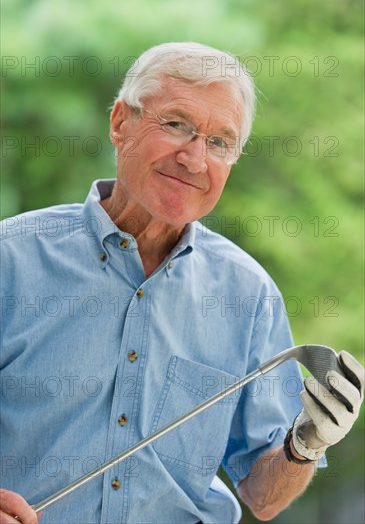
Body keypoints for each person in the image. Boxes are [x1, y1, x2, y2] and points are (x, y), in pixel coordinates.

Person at [0, 42, 363, 524]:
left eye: (220, 143)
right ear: (119, 123)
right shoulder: (12, 259)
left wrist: (304, 444)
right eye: (176, 125)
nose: (195, 159)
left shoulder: (248, 295)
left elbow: (263, 495)